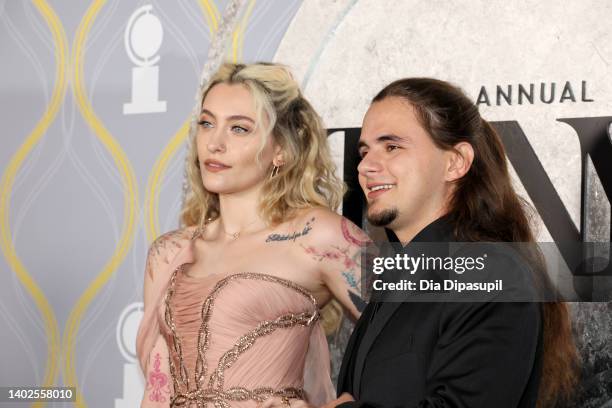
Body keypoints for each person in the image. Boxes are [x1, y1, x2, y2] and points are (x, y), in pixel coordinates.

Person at [286, 77, 578, 408]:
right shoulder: (401, 277)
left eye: (392, 146)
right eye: (364, 151)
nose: (365, 166)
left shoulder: (491, 273)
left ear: (455, 162)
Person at [136, 62, 369, 408]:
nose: (215, 143)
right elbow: (158, 388)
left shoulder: (319, 236)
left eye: (239, 129)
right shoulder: (169, 252)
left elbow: (416, 331)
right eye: (206, 123)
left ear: (282, 150)